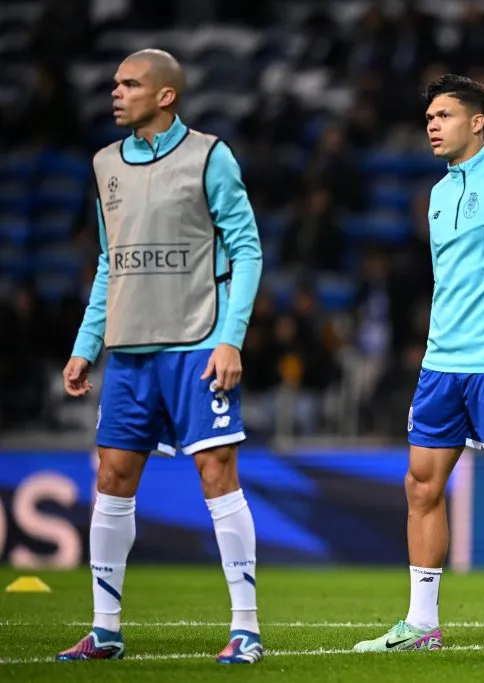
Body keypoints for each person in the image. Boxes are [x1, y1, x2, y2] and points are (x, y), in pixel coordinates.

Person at [56, 49, 264, 664]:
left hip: (198, 344)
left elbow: (247, 250)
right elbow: (108, 262)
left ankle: (247, 628)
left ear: (166, 95)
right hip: (129, 353)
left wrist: (232, 338)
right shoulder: (104, 165)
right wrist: (85, 345)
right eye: (114, 83)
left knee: (217, 474)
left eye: (130, 83)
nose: (115, 92)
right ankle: (105, 629)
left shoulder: (210, 157)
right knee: (112, 479)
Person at [353, 74, 484, 656]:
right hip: (441, 364)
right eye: (428, 120)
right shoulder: (438, 194)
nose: (433, 127)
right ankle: (422, 624)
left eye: (444, 116)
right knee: (420, 486)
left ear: (477, 122)